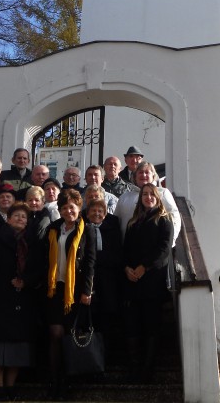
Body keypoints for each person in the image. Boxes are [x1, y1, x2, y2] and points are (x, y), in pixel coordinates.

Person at [0, 202, 41, 401]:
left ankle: (11, 385)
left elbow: (39, 269)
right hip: (0, 300)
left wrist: (26, 281)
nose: (20, 219)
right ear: (8, 218)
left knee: (18, 346)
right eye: (17, 216)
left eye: (24, 217)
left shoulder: (33, 242)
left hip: (24, 300)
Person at [45, 189, 96, 398]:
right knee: (55, 334)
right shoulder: (53, 229)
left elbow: (90, 262)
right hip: (55, 290)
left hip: (75, 291)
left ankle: (67, 382)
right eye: (64, 207)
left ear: (79, 207)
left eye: (72, 207)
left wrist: (87, 291)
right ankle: (53, 381)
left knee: (68, 336)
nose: (68, 211)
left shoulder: (88, 229)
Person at [123, 183, 174, 383]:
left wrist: (144, 266)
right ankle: (134, 369)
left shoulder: (164, 220)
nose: (148, 197)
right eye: (144, 194)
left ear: (157, 197)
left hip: (152, 280)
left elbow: (164, 249)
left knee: (151, 325)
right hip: (132, 281)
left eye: (152, 194)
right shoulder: (133, 222)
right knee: (132, 325)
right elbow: (125, 249)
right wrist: (127, 268)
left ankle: (147, 370)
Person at [85, 198, 123, 348]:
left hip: (108, 277)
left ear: (105, 214)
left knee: (108, 313)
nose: (97, 214)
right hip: (89, 278)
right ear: (87, 214)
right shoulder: (83, 230)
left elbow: (117, 253)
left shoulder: (112, 230)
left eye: (100, 211)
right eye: (93, 211)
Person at [115, 162, 181, 242]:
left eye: (147, 172)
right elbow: (116, 221)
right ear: (135, 176)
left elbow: (174, 217)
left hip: (157, 246)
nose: (144, 175)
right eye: (140, 172)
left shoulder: (162, 193)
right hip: (128, 246)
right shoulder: (125, 197)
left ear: (153, 176)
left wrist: (170, 241)